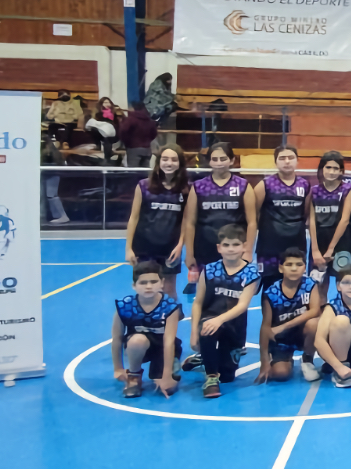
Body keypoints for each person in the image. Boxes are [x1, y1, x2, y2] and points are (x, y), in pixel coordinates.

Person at [187, 224, 260, 398]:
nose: (231, 249)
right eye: (226, 245)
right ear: (219, 248)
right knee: (207, 328)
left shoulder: (251, 272)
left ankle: (204, 357)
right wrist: (194, 332)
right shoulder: (209, 270)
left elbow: (242, 305)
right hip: (210, 319)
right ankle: (211, 377)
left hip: (234, 325)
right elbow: (198, 302)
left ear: (244, 246)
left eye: (235, 244)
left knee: (227, 377)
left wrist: (219, 319)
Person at [110, 261, 181, 398]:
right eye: (143, 283)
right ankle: (134, 375)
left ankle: (169, 368)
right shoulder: (124, 306)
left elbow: (169, 342)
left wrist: (166, 375)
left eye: (153, 282)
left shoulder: (170, 307)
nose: (148, 286)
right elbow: (117, 338)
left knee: (167, 386)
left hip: (162, 348)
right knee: (137, 340)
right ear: (134, 285)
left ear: (162, 283)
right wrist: (118, 368)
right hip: (139, 346)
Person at [124, 144, 188, 298]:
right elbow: (134, 218)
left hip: (170, 248)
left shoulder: (186, 189)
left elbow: (186, 220)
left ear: (180, 163)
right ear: (158, 162)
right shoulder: (144, 186)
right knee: (146, 289)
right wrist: (128, 248)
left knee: (169, 290)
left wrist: (180, 245)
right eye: (165, 159)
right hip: (144, 247)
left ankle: (171, 314)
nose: (169, 163)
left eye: (174, 159)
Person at [183, 143, 255, 273]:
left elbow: (252, 222)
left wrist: (248, 251)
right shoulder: (198, 187)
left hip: (235, 250)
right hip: (205, 248)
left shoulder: (243, 186)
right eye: (214, 159)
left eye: (223, 159)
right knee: (206, 285)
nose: (219, 163)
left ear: (232, 160)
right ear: (209, 162)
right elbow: (190, 223)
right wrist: (189, 254)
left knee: (234, 285)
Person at [255, 248, 324, 383]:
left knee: (314, 324)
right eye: (289, 264)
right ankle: (286, 359)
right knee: (280, 374)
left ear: (304, 268)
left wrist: (284, 326)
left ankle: (307, 359)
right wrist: (264, 361)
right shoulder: (271, 293)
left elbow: (315, 311)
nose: (294, 268)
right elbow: (265, 327)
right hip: (282, 339)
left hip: (302, 333)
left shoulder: (310, 285)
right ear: (281, 268)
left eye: (298, 264)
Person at [250, 145, 310, 289]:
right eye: (282, 158)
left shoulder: (305, 185)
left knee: (295, 287)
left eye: (291, 158)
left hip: (296, 245)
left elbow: (306, 213)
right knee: (269, 288)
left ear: (297, 160)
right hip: (269, 247)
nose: (287, 161)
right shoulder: (264, 185)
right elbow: (253, 214)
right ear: (275, 161)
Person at [308, 152, 351, 305]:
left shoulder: (347, 189)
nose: (332, 172)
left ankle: (344, 316)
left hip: (341, 244)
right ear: (322, 169)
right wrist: (315, 250)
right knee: (319, 285)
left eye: (336, 168)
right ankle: (319, 316)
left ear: (341, 171)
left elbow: (344, 220)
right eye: (328, 167)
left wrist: (331, 249)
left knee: (345, 284)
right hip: (319, 241)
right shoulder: (314, 190)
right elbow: (312, 220)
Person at [144, 73, 179, 148]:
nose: (170, 82)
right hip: (156, 114)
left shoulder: (155, 87)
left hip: (153, 116)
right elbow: (162, 99)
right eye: (168, 79)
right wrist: (173, 102)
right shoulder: (158, 87)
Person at [119, 102, 157, 168]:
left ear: (134, 108)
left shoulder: (130, 119)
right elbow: (154, 134)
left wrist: (126, 142)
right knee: (145, 171)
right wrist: (147, 141)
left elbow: (123, 131)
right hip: (147, 149)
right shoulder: (149, 120)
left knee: (133, 171)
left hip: (133, 148)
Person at [88, 97, 122, 166]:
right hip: (102, 132)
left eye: (109, 102)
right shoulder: (98, 113)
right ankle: (98, 145)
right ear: (101, 104)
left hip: (113, 133)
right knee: (93, 129)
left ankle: (107, 159)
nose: (107, 104)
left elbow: (119, 123)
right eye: (105, 102)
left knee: (107, 140)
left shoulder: (115, 113)